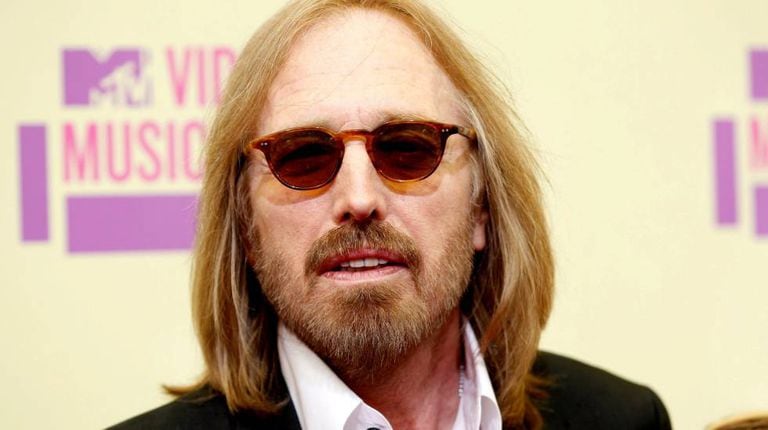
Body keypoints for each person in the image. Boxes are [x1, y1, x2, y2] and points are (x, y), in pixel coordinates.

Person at [111, 0, 671, 429]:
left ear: (481, 207)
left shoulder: (623, 420)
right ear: (246, 228)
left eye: (407, 148)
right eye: (303, 158)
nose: (359, 198)